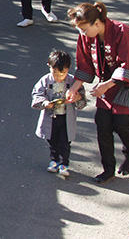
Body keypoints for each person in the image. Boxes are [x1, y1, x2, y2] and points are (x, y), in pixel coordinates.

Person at [65, 2, 129, 184]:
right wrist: (74, 87)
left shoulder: (125, 33)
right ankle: (108, 169)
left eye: (85, 29)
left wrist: (107, 85)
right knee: (102, 124)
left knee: (122, 123)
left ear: (97, 23)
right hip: (106, 85)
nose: (82, 34)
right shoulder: (87, 37)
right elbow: (85, 63)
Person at [31, 50, 86, 178]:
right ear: (49, 66)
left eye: (63, 73)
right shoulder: (45, 80)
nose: (59, 76)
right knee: (52, 140)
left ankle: (64, 163)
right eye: (55, 72)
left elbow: (82, 99)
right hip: (51, 117)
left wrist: (77, 98)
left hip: (66, 118)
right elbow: (37, 94)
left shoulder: (72, 81)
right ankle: (54, 160)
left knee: (65, 142)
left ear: (68, 70)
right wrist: (44, 103)